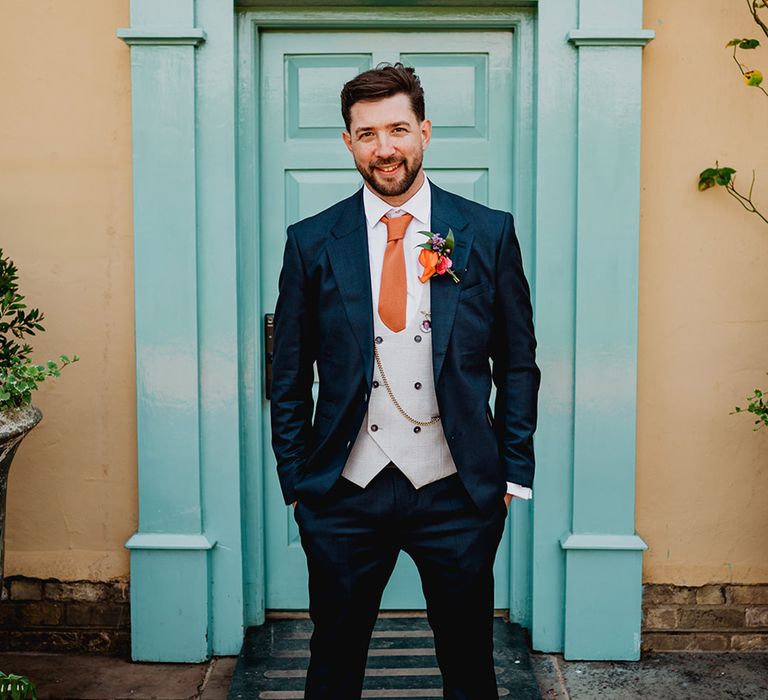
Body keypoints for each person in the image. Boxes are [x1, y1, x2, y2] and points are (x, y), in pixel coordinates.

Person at [270, 62, 540, 700]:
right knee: (332, 662)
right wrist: (297, 483)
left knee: (469, 663)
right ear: (348, 143)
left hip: (457, 489)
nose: (384, 148)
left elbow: (518, 360)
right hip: (342, 491)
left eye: (397, 129)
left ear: (424, 132)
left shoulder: (487, 232)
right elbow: (289, 374)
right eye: (367, 134)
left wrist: (510, 475)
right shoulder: (311, 242)